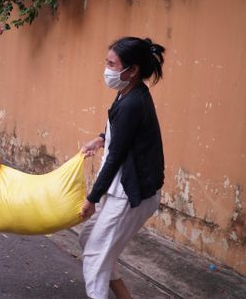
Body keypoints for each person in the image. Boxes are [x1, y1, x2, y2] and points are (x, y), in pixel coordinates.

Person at [78, 36, 166, 299]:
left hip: (131, 193)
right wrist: (101, 138)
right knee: (90, 242)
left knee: (95, 255)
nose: (106, 69)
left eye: (111, 64)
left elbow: (116, 156)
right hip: (120, 187)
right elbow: (121, 132)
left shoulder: (133, 103)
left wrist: (92, 198)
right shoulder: (127, 93)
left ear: (132, 70)